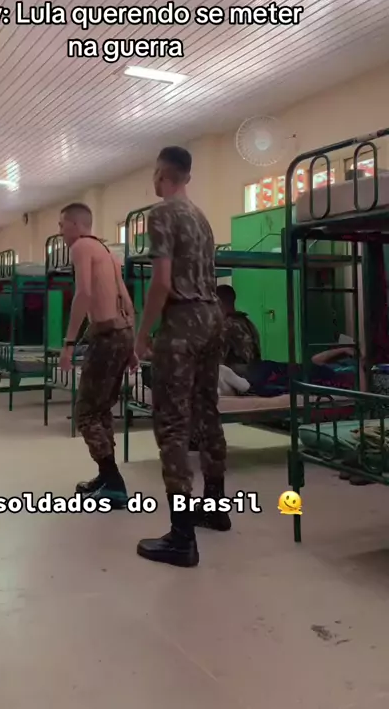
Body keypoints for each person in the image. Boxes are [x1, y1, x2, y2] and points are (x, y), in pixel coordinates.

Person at [133, 146, 229, 569]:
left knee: (172, 422)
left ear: (161, 175)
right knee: (207, 411)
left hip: (183, 320)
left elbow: (161, 282)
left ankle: (181, 536)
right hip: (213, 318)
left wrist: (142, 335)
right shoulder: (201, 218)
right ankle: (216, 507)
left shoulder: (161, 213)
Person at [58, 203, 135, 506]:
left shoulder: (80, 247)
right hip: (121, 331)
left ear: (77, 225)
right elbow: (126, 299)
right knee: (101, 410)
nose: (61, 231)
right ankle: (106, 477)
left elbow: (84, 294)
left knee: (86, 413)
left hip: (106, 335)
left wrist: (69, 342)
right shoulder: (108, 252)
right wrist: (130, 344)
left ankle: (113, 482)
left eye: (63, 224)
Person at [217, 285, 261, 370]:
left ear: (218, 302)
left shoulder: (227, 326)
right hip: (254, 373)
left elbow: (217, 361)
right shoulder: (246, 322)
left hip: (236, 375)